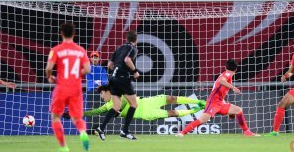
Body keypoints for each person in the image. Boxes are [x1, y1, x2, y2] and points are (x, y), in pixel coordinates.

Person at [63, 84, 206, 134]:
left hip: (147, 101)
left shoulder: (119, 95)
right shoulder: (107, 106)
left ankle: (198, 101)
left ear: (107, 92)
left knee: (171, 98)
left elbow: (125, 102)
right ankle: (193, 111)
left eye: (101, 93)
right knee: (172, 113)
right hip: (145, 113)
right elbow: (92, 112)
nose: (101, 97)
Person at [177, 59, 259, 137]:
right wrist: (233, 88)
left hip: (220, 103)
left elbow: (220, 88)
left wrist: (229, 111)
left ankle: (247, 132)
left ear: (225, 67)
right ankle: (182, 133)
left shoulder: (226, 74)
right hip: (213, 103)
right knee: (202, 120)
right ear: (236, 69)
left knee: (238, 110)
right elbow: (221, 81)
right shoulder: (227, 74)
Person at [45, 22, 91, 152]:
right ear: (74, 34)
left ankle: (64, 146)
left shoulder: (56, 50)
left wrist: (50, 77)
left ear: (61, 33)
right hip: (76, 88)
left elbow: (48, 68)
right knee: (77, 118)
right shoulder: (80, 50)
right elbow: (87, 69)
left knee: (56, 117)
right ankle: (83, 133)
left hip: (61, 87)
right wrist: (77, 74)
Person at [96, 31, 140, 140]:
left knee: (116, 107)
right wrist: (134, 71)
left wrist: (116, 70)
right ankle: (124, 131)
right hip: (122, 79)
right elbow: (127, 60)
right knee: (134, 104)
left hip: (112, 78)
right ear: (136, 40)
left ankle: (101, 128)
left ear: (127, 38)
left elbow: (110, 64)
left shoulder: (119, 48)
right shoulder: (133, 48)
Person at [85, 51, 108, 132]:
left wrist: (99, 84)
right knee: (91, 110)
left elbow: (105, 81)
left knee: (100, 111)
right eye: (93, 57)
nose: (94, 59)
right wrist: (98, 83)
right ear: (90, 59)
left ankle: (100, 129)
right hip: (91, 93)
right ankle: (90, 129)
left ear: (99, 58)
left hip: (101, 93)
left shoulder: (102, 69)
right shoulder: (88, 69)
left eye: (96, 57)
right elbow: (90, 82)